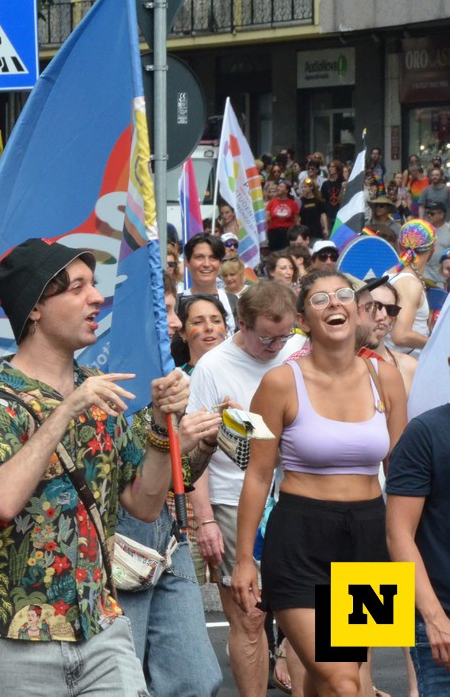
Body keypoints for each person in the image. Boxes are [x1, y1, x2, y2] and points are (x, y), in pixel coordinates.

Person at [0, 239, 194, 695]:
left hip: (100, 623)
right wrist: (66, 408)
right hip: (13, 636)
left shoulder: (99, 390)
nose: (97, 298)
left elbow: (144, 504)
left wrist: (162, 426)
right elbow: (2, 500)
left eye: (94, 285)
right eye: (77, 287)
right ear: (34, 309)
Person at [233, 271, 406, 696]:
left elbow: (401, 474)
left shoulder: (386, 377)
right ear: (302, 321)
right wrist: (243, 560)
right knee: (343, 681)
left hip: (368, 537)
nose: (334, 304)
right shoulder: (279, 382)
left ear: (358, 310)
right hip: (300, 540)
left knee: (337, 680)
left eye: (343, 295)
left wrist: (411, 548)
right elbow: (258, 475)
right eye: (320, 299)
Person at [187, 281, 302, 697]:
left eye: (284, 336)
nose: (276, 346)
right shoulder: (213, 366)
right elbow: (194, 453)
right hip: (234, 498)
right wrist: (205, 521)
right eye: (266, 337)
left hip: (305, 497)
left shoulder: (302, 350)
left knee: (311, 615)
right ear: (242, 323)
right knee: (251, 615)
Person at [116, 285, 226, 697]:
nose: (178, 322)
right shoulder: (110, 377)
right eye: (166, 311)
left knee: (197, 679)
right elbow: (138, 486)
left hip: (364, 528)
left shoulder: (382, 372)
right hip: (124, 536)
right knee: (124, 680)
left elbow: (179, 474)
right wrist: (181, 443)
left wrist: (204, 444)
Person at [386, 395, 450, 695]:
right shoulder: (425, 431)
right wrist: (434, 617)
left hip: (367, 528)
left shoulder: (385, 378)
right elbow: (398, 534)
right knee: (341, 678)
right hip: (331, 544)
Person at [387, 219, 436, 356]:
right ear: (433, 248)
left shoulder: (392, 272)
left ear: (400, 245)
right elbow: (400, 336)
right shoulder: (409, 283)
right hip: (403, 364)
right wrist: (434, 344)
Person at [180, 233, 239, 331]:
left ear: (220, 263)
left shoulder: (233, 302)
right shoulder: (177, 303)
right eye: (199, 257)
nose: (207, 264)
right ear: (187, 262)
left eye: (213, 258)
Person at [421, 202, 450, 285]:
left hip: (444, 276)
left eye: (432, 213)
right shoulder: (423, 229)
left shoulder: (448, 230)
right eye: (427, 213)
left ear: (441, 215)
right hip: (426, 273)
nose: (428, 215)